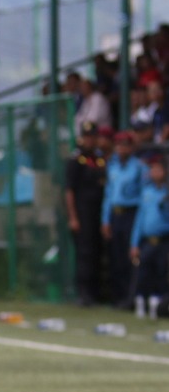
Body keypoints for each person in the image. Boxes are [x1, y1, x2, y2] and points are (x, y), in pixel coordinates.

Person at [101, 131, 145, 309]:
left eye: (125, 145)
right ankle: (118, 297)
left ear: (131, 148)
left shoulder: (139, 168)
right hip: (115, 215)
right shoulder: (112, 166)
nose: (121, 149)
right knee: (116, 257)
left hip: (131, 213)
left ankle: (131, 298)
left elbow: (143, 197)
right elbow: (108, 195)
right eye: (119, 145)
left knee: (130, 257)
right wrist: (105, 220)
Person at [65, 121, 107, 306]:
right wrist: (73, 217)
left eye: (93, 136)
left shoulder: (99, 159)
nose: (91, 140)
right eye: (88, 136)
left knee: (97, 252)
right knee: (85, 253)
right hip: (83, 213)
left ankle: (96, 293)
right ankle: (83, 293)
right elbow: (69, 191)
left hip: (98, 212)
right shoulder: (76, 160)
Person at [130, 155, 169, 319]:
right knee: (143, 273)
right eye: (153, 169)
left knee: (161, 274)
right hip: (147, 242)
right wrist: (134, 243)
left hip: (162, 242)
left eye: (158, 170)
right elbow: (139, 220)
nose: (155, 173)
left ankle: (158, 306)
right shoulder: (147, 192)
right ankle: (140, 303)